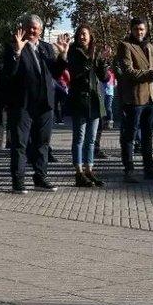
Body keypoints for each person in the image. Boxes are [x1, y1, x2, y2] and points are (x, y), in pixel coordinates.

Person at [2, 15, 64, 194]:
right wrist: (17, 52)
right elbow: (8, 74)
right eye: (28, 27)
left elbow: (56, 73)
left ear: (41, 30)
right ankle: (18, 181)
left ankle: (40, 177)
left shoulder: (46, 48)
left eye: (35, 28)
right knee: (20, 144)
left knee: (42, 143)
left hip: (44, 104)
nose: (31, 31)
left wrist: (63, 54)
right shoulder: (12, 46)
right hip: (22, 104)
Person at [114, 18, 153, 183]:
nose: (140, 32)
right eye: (137, 29)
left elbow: (152, 69)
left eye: (142, 29)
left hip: (150, 98)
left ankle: (149, 168)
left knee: (147, 136)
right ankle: (129, 170)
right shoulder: (125, 46)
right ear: (131, 29)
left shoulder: (150, 46)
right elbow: (129, 72)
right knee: (129, 136)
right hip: (134, 98)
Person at [66, 25, 110, 188]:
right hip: (80, 101)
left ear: (90, 37)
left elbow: (104, 78)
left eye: (85, 34)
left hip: (95, 101)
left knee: (91, 140)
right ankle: (78, 173)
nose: (82, 37)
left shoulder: (95, 53)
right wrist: (91, 60)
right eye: (79, 34)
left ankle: (89, 170)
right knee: (79, 138)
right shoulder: (73, 52)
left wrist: (103, 62)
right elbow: (75, 73)